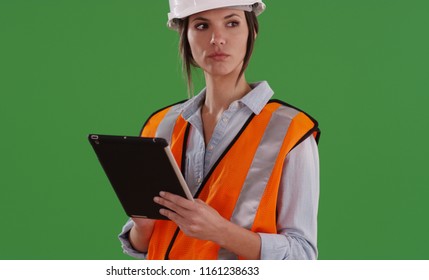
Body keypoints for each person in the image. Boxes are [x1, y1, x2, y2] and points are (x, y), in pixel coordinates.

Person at [118, 0, 320, 260]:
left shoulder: (290, 130)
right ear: (185, 36)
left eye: (232, 23)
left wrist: (221, 232)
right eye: (202, 25)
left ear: (252, 31)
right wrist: (143, 226)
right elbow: (142, 246)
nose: (217, 39)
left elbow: (302, 257)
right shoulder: (160, 126)